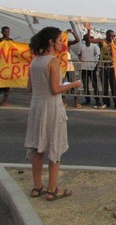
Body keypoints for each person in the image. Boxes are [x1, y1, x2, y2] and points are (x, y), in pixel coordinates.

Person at [24, 27, 81, 201]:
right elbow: (55, 89)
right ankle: (52, 189)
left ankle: (36, 187)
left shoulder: (35, 61)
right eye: (58, 40)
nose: (61, 44)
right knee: (54, 147)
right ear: (51, 42)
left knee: (36, 147)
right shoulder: (53, 61)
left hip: (37, 106)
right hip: (52, 108)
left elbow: (29, 88)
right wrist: (73, 84)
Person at [89, 30, 116, 109]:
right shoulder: (102, 41)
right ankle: (106, 102)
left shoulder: (115, 43)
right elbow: (90, 40)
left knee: (113, 86)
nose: (112, 37)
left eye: (113, 36)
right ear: (107, 36)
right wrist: (88, 30)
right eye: (110, 36)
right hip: (103, 67)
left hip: (112, 67)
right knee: (104, 86)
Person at [78, 34, 100, 107]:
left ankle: (97, 100)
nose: (88, 40)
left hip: (92, 68)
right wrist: (80, 58)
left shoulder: (94, 46)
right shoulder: (82, 46)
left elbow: (98, 55)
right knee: (85, 84)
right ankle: (87, 99)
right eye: (87, 38)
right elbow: (79, 54)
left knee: (94, 84)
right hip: (84, 68)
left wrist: (96, 64)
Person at [63, 29, 80, 108]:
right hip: (61, 67)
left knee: (73, 83)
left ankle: (76, 102)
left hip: (69, 66)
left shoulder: (67, 43)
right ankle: (63, 102)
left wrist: (73, 32)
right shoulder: (57, 44)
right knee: (62, 84)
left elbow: (77, 40)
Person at [0, 26, 13, 106]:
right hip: (1, 65)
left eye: (7, 31)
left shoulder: (12, 42)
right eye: (5, 31)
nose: (6, 33)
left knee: (7, 83)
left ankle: (5, 101)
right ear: (2, 32)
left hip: (8, 65)